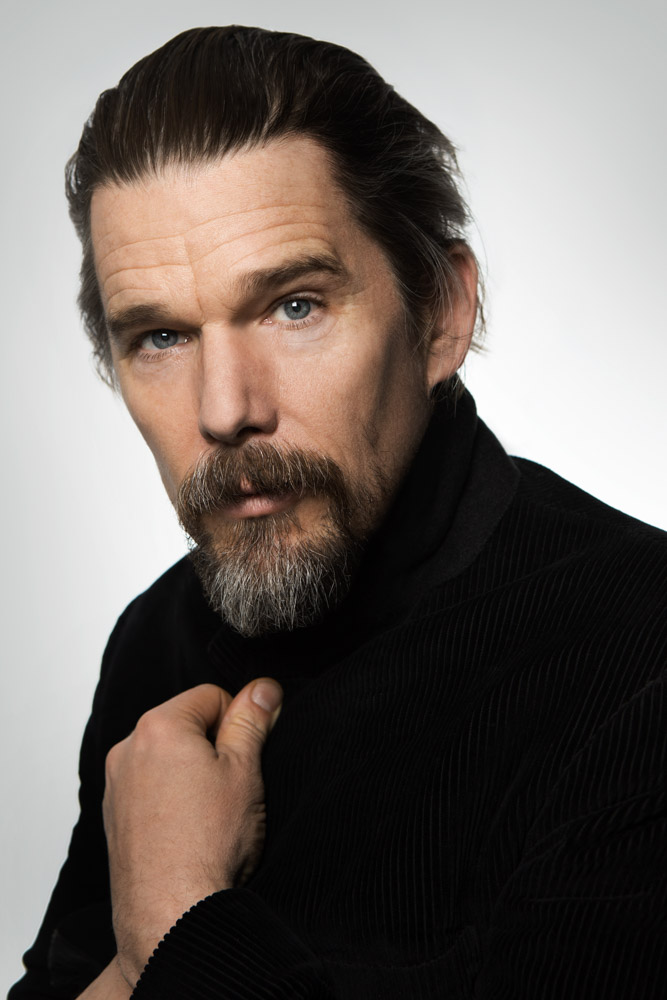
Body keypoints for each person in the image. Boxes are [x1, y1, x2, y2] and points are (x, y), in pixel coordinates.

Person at [9, 24, 667, 1000]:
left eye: (294, 306)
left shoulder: (642, 656)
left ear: (441, 314)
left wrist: (177, 916)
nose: (225, 409)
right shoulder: (159, 640)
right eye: (160, 337)